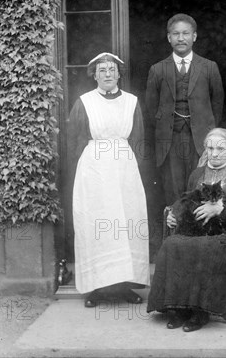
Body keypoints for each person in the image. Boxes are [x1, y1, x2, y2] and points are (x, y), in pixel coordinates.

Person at [147, 128, 226, 332]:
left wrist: (220, 210)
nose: (214, 153)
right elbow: (186, 202)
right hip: (196, 230)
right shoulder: (197, 174)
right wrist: (174, 214)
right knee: (172, 243)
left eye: (220, 148)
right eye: (210, 148)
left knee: (205, 247)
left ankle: (200, 311)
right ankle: (178, 308)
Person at [67, 52, 150, 307]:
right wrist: (90, 168)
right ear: (94, 74)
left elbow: (138, 139)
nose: (107, 74)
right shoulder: (84, 102)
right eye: (102, 70)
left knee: (126, 222)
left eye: (112, 70)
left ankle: (125, 285)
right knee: (98, 223)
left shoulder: (131, 102)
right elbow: (75, 140)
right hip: (95, 169)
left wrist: (129, 167)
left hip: (124, 168)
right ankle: (97, 288)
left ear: (118, 74)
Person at [145, 13, 224, 210]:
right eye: (176, 33)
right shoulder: (157, 69)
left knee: (201, 188)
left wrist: (206, 128)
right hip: (170, 141)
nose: (181, 38)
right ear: (168, 37)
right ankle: (175, 238)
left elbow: (217, 103)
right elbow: (151, 108)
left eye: (186, 33)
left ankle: (198, 239)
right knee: (173, 191)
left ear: (194, 37)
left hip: (200, 141)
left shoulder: (209, 67)